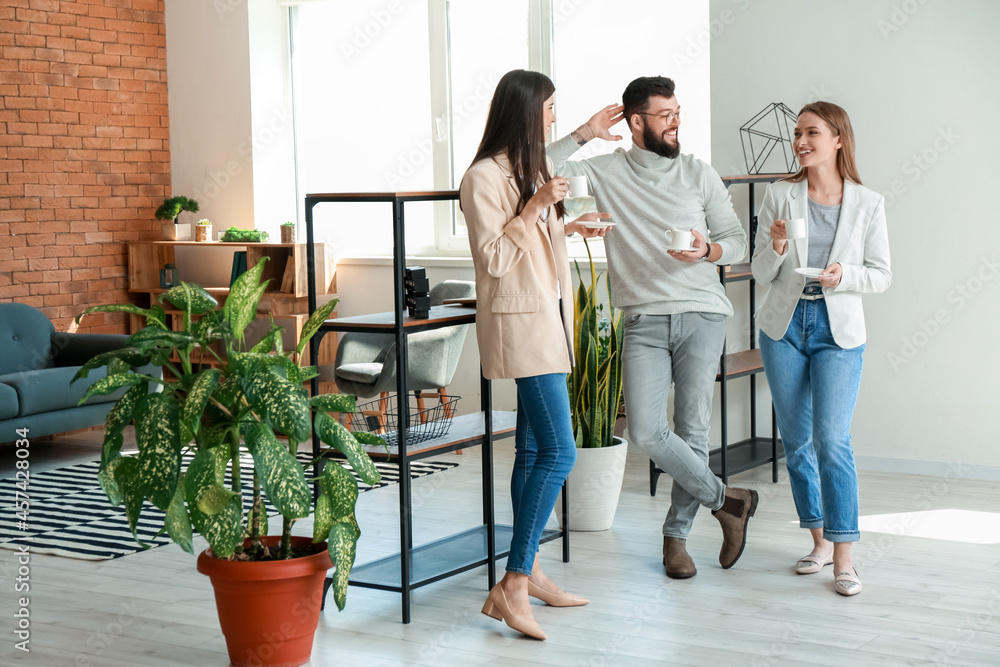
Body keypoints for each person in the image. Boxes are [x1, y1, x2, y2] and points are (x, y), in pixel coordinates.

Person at [547, 76, 759, 580]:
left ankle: (675, 539)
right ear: (636, 121)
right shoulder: (603, 171)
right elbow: (535, 168)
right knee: (645, 430)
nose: (675, 122)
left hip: (702, 311)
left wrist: (708, 251)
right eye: (665, 115)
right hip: (642, 317)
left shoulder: (698, 173)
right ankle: (729, 501)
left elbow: (736, 241)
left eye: (678, 112)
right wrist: (583, 132)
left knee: (692, 430)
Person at [459, 69, 609, 640]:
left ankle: (533, 571)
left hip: (547, 322)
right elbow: (495, 258)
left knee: (530, 452)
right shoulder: (482, 177)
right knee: (561, 453)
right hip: (523, 330)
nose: (553, 118)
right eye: (548, 109)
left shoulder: (528, 168)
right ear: (524, 112)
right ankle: (514, 582)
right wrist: (535, 208)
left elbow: (539, 229)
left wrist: (572, 227)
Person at [751, 101, 890, 596]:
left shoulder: (868, 203)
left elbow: (881, 275)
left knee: (832, 439)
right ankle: (819, 542)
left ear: (837, 139)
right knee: (796, 441)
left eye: (812, 132)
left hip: (838, 330)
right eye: (797, 134)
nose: (801, 142)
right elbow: (760, 272)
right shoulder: (779, 194)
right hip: (784, 326)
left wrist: (843, 275)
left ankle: (845, 558)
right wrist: (776, 246)